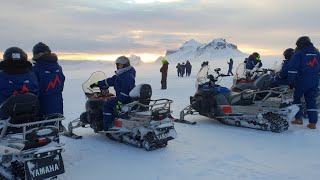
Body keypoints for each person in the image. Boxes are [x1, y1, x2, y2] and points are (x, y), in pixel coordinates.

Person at [90, 56, 136, 131]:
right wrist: (96, 84)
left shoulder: (127, 76)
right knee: (111, 101)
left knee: (106, 105)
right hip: (125, 98)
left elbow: (126, 91)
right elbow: (109, 81)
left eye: (120, 65)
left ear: (125, 65)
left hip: (125, 99)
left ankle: (108, 126)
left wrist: (120, 102)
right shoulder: (122, 75)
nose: (118, 66)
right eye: (117, 65)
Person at [288, 36, 320, 129]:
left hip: (301, 80)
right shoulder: (317, 54)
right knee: (311, 100)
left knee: (296, 98)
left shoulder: (299, 54)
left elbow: (292, 69)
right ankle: (313, 123)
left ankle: (298, 119)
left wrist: (291, 81)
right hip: (314, 80)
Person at [0, 47, 39, 119]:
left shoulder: (2, 76)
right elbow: (37, 91)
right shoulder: (32, 75)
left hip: (5, 116)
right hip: (29, 114)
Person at [32, 42, 65, 119]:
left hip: (42, 105)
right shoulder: (58, 67)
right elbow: (61, 83)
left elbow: (34, 88)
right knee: (55, 122)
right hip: (57, 103)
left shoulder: (35, 69)